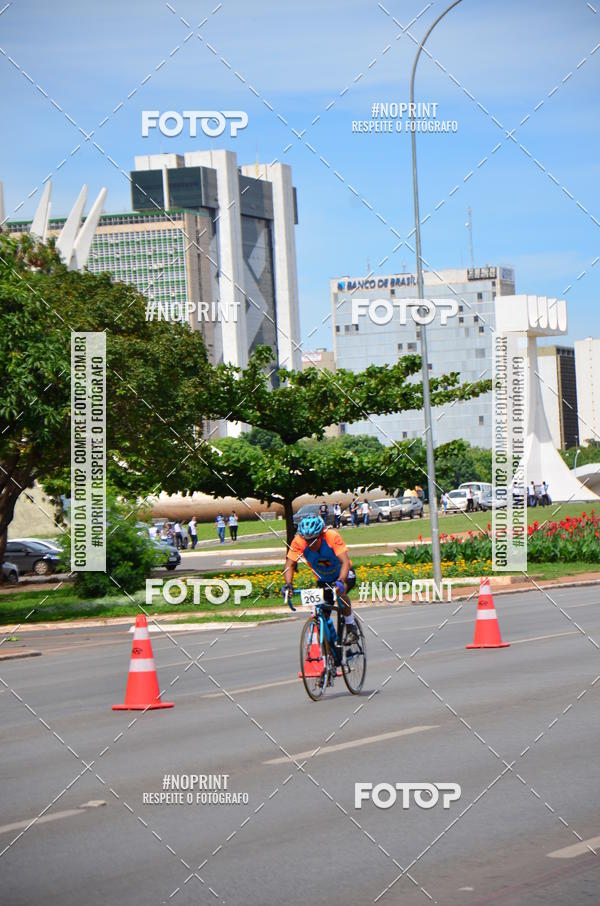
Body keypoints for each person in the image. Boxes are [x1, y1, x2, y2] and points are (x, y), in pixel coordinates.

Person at [283, 515, 358, 645]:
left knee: (340, 592)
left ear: (321, 535)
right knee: (320, 618)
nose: (310, 544)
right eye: (307, 540)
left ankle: (351, 626)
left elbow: (345, 562)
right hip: (323, 580)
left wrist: (340, 581)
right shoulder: (298, 541)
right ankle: (330, 653)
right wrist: (288, 584)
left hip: (344, 574)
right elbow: (289, 565)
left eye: (313, 540)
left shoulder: (331, 536)